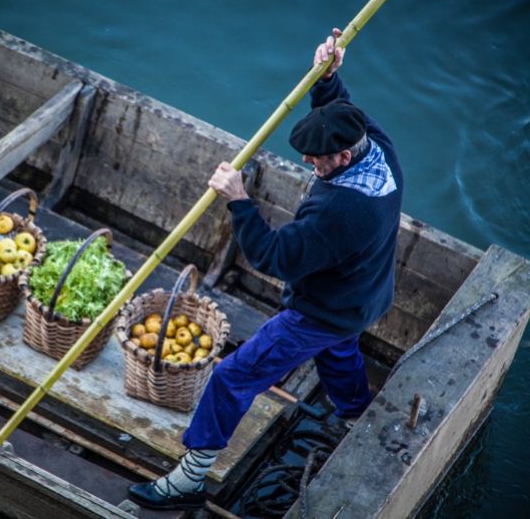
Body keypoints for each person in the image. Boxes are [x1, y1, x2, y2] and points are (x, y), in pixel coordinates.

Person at [127, 28, 404, 511]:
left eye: (317, 159)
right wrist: (328, 77)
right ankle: (357, 413)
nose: (308, 161)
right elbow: (340, 110)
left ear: (343, 157)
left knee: (233, 376)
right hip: (363, 298)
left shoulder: (343, 211)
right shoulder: (378, 149)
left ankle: (189, 479)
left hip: (318, 313)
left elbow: (274, 257)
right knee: (340, 352)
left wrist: (238, 201)